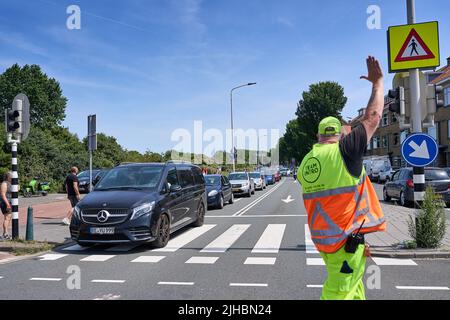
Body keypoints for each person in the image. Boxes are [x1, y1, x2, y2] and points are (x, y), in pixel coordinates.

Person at [297, 56, 386, 300]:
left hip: (325, 238)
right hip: (344, 239)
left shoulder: (306, 162)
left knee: (354, 286)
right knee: (339, 292)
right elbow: (373, 117)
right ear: (340, 133)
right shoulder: (345, 151)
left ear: (318, 136)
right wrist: (377, 83)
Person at [0, 172, 13, 240]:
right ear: (8, 176)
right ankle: (5, 234)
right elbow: (3, 195)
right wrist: (7, 204)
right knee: (7, 218)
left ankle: (6, 233)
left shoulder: (11, 183)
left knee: (9, 217)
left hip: (10, 202)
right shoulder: (4, 183)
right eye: (11, 176)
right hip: (5, 203)